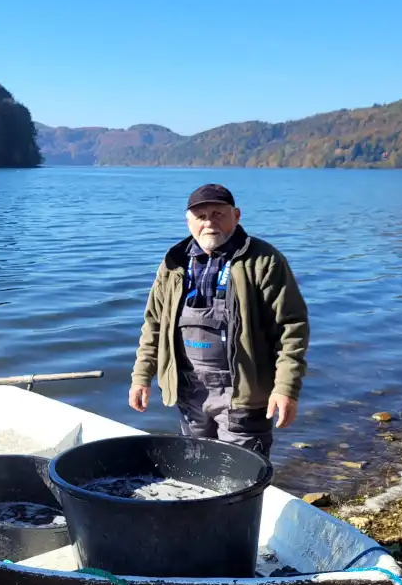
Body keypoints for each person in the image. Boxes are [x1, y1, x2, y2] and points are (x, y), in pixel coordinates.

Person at [128, 183, 309, 456]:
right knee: (195, 467)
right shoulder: (173, 263)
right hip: (189, 392)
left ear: (236, 216)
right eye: (201, 216)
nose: (209, 223)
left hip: (242, 395)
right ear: (188, 222)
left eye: (218, 214)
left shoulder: (264, 261)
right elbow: (153, 324)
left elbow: (291, 329)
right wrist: (142, 377)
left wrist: (286, 388)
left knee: (242, 474)